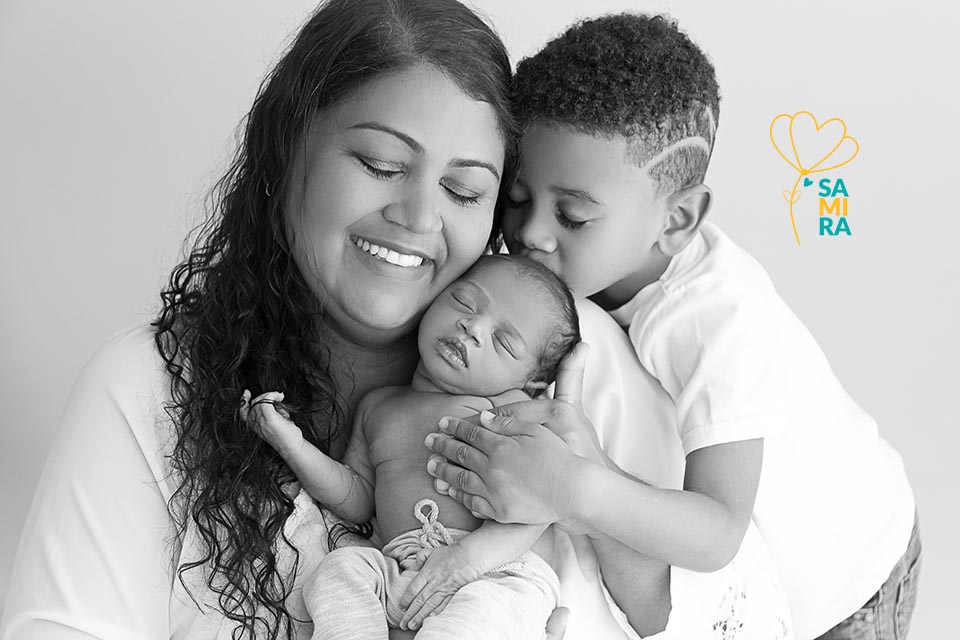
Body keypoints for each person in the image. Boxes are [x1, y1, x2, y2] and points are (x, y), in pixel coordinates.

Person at [0, 2, 689, 639]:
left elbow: (680, 608)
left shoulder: (572, 360)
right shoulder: (149, 390)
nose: (419, 218)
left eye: (463, 190)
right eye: (380, 164)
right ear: (286, 149)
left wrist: (587, 489)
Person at [425, 13, 920, 640]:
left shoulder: (718, 318)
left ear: (678, 220)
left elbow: (716, 532)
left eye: (572, 216)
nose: (531, 232)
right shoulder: (574, 271)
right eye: (518, 199)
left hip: (849, 584)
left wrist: (575, 489)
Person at [243, 254, 578, 639]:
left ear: (533, 384)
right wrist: (292, 444)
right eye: (464, 302)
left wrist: (468, 560)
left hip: (497, 575)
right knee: (338, 571)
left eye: (503, 342)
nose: (472, 327)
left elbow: (542, 506)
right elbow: (357, 498)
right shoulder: (379, 407)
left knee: (472, 622)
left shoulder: (509, 410)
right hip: (404, 569)